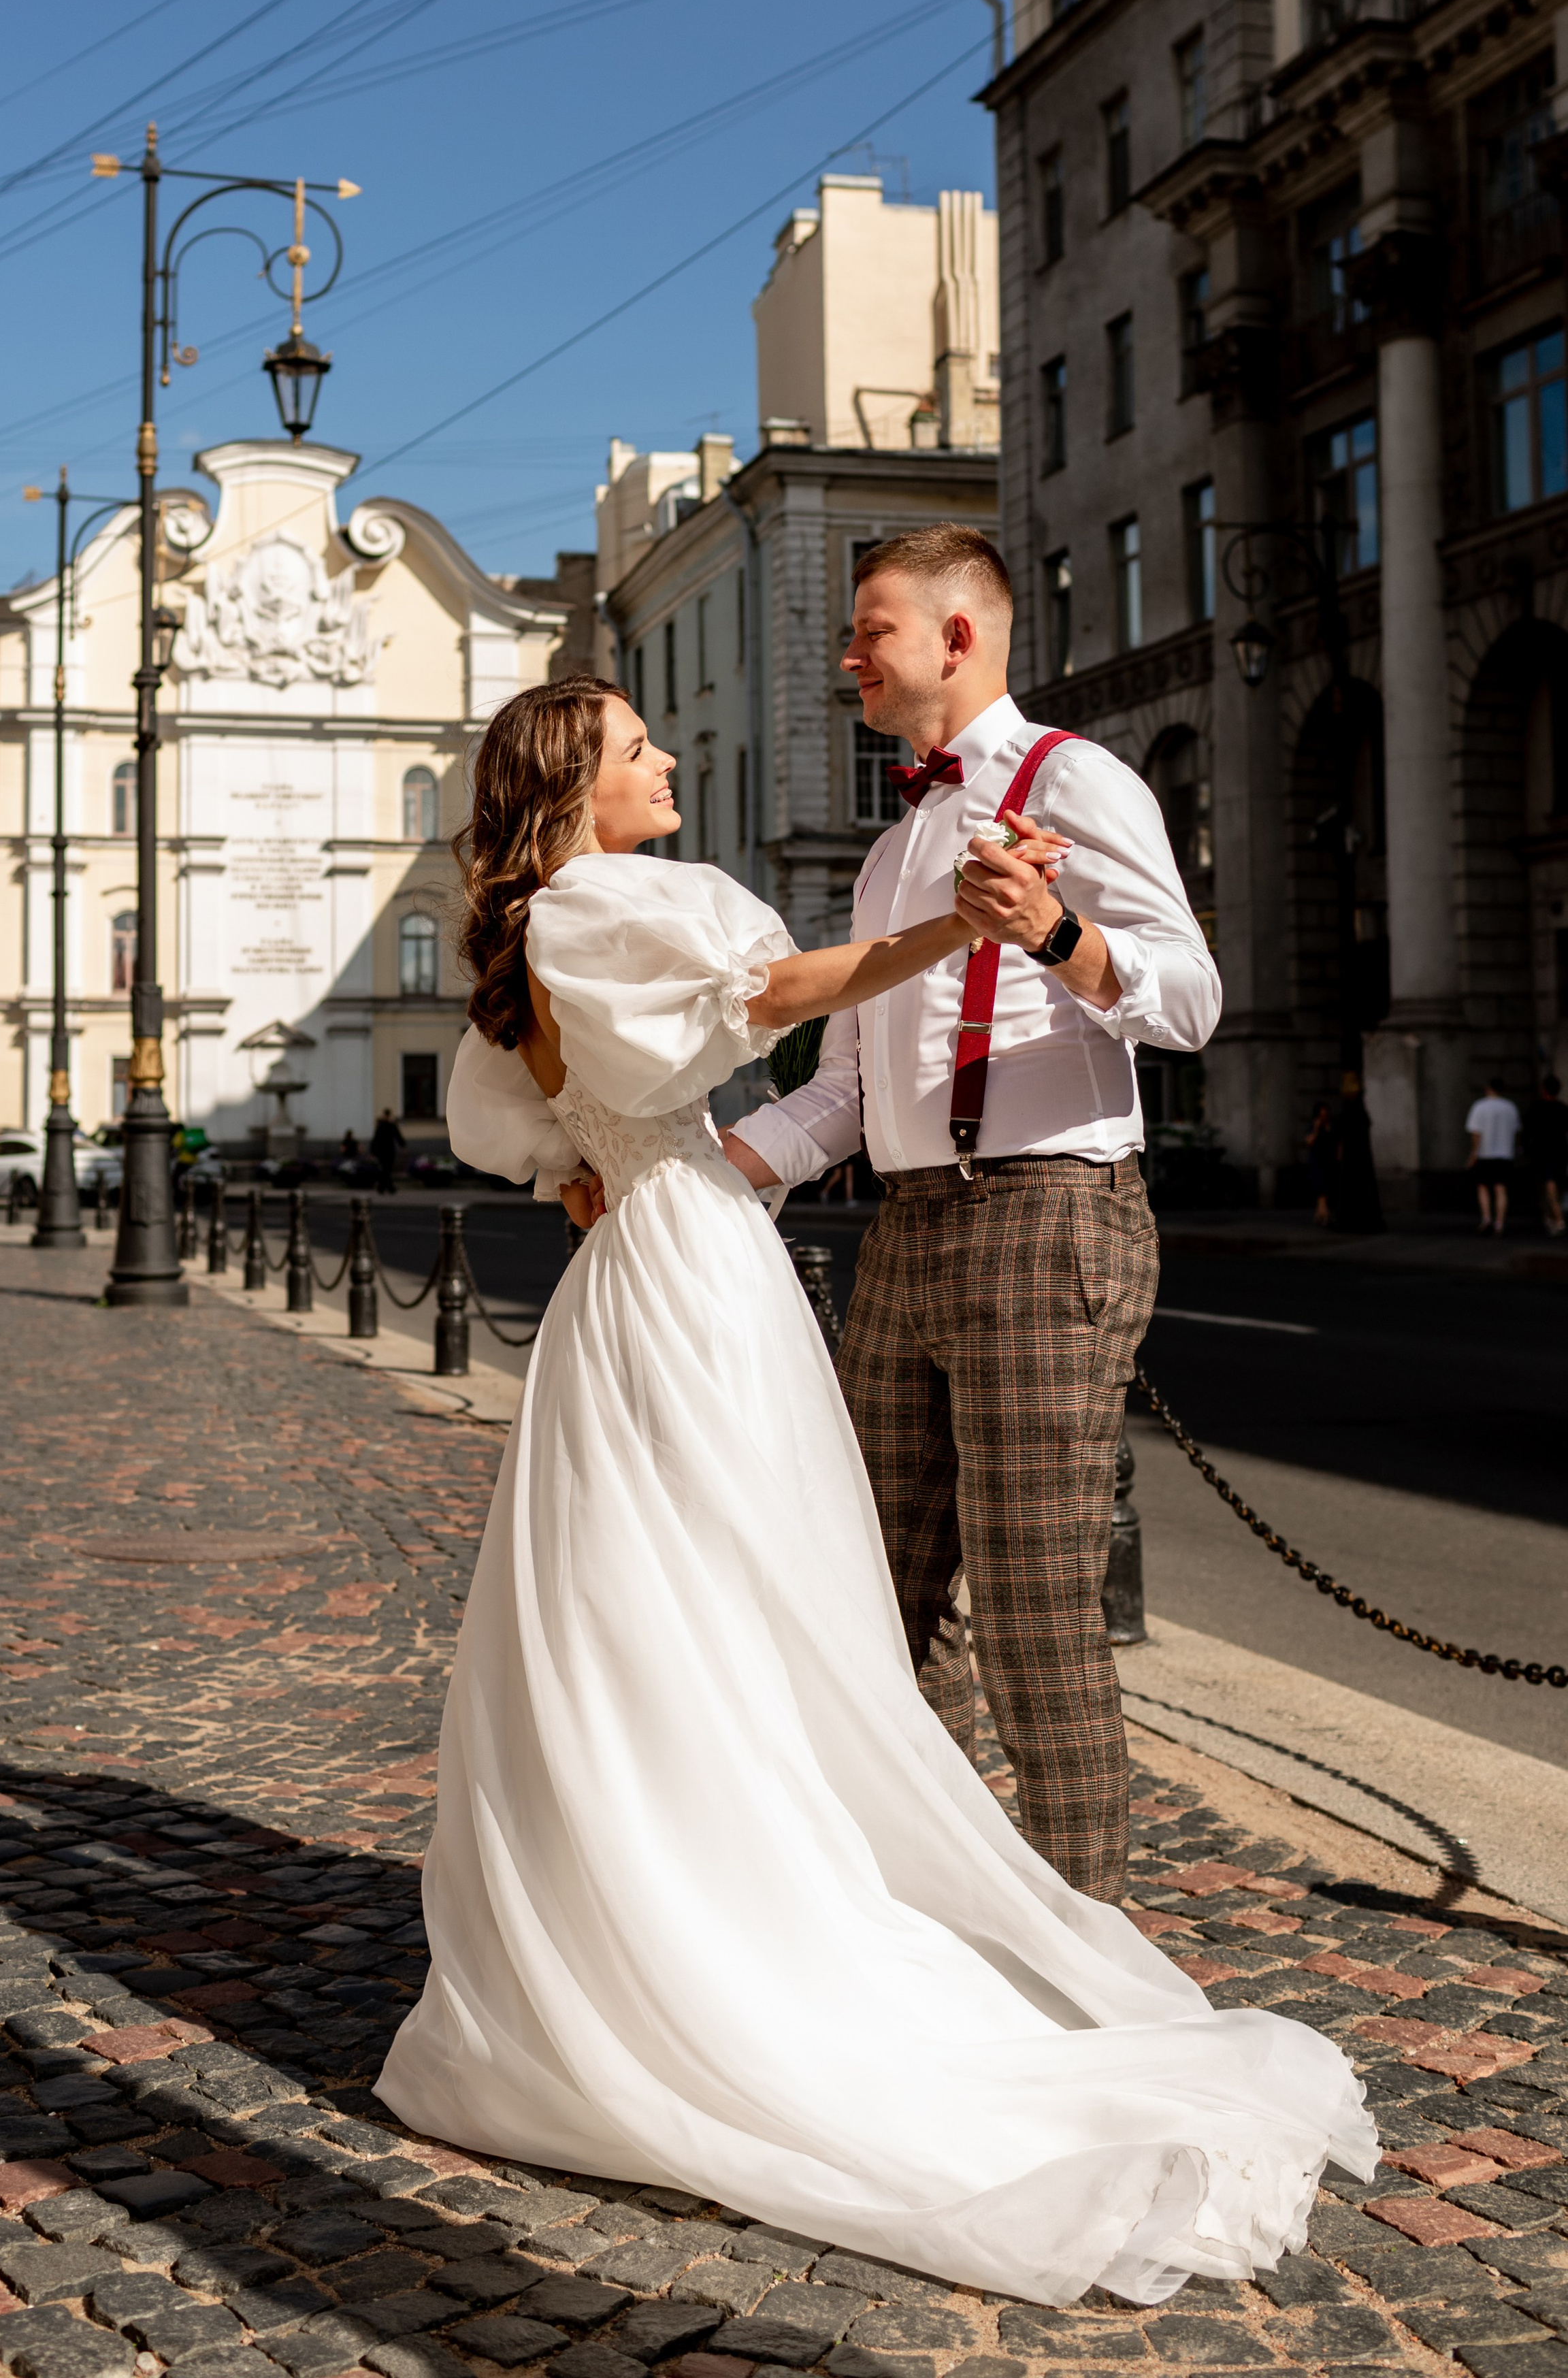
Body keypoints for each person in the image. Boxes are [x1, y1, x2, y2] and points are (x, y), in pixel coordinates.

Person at [374, 672, 1373, 2309]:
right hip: (692, 1269)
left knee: (649, 1617)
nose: (666, 757)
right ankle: (749, 1934)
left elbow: (543, 1130)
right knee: (738, 1605)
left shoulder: (538, 929)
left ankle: (648, 1914)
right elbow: (776, 988)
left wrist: (616, 1154)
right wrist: (947, 942)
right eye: (636, 747)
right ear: (574, 786)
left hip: (635, 1257)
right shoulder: (614, 900)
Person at [723, 526, 1218, 1905]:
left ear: (954, 636)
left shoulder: (1078, 779)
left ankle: (1083, 1953)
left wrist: (1057, 936)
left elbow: (1189, 1000)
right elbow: (840, 1088)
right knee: (870, 1599)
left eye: (864, 630)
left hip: (1047, 1215)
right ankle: (948, 1906)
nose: (845, 659)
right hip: (904, 1230)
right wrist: (693, 1174)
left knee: (1032, 1610)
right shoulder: (891, 856)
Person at [1326, 1068, 1384, 1235]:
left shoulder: (1351, 1109)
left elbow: (1339, 1130)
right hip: (1360, 1157)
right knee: (1362, 1186)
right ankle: (1363, 1219)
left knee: (1352, 1187)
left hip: (1352, 1157)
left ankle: (1351, 1219)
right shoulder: (1359, 1109)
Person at [1466, 1073, 1522, 1235]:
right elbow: (1517, 1132)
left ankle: (1486, 1218)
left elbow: (1476, 1134)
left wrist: (1473, 1155)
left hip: (1485, 1153)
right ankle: (1500, 1222)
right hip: (1505, 1154)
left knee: (1483, 1187)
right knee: (1501, 1188)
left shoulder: (1480, 1106)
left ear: (1488, 1088)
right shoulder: (1510, 1107)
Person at [1523, 1073, 1567, 1237]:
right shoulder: (1563, 1108)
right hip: (1560, 1152)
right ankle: (1552, 1216)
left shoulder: (1536, 1108)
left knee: (1548, 1185)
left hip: (1542, 1151)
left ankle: (1557, 1218)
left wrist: (1525, 1146)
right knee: (1557, 1185)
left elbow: (1528, 1131)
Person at [1304, 1100, 1335, 1228]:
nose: (1324, 1117)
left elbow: (1336, 1141)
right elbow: (1309, 1142)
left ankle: (1322, 1215)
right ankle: (1323, 1216)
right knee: (1320, 1191)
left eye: (1325, 1114)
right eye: (1321, 1114)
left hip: (1328, 1160)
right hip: (1317, 1161)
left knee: (1325, 1192)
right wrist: (1317, 1129)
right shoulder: (1313, 1126)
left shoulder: (1331, 1126)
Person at [370, 1105, 402, 1195]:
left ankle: (383, 1187)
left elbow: (376, 1139)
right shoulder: (388, 1126)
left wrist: (372, 1150)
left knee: (385, 1169)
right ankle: (388, 1187)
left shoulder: (382, 1126)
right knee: (386, 1169)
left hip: (384, 1151)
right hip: (387, 1151)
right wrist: (402, 1144)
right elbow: (397, 1136)